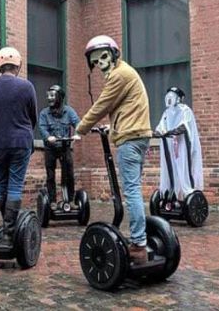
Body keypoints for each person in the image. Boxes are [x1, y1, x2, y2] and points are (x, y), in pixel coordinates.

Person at [75, 35, 152, 265]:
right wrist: (113, 127)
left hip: (130, 140)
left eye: (102, 59)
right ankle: (140, 238)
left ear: (113, 54)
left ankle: (138, 244)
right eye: (96, 62)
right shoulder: (126, 72)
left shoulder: (119, 75)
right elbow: (126, 107)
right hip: (136, 134)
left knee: (131, 191)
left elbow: (103, 104)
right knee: (133, 189)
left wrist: (82, 127)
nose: (100, 65)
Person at [0, 46, 37, 248]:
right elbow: (33, 117)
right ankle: (8, 235)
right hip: (21, 141)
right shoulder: (27, 87)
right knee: (14, 185)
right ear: (18, 65)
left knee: (0, 184)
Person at [155, 87, 203, 209]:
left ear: (178, 98)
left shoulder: (185, 110)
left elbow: (184, 126)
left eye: (172, 95)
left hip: (182, 146)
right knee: (169, 168)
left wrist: (174, 131)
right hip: (169, 145)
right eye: (168, 95)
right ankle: (171, 193)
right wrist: (157, 132)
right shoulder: (166, 113)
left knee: (183, 168)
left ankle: (186, 194)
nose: (169, 98)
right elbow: (161, 126)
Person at [38, 85, 80, 208]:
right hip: (50, 148)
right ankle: (52, 201)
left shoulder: (69, 111)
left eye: (53, 96)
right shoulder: (44, 113)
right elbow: (42, 127)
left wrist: (77, 134)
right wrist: (48, 137)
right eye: (49, 96)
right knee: (50, 175)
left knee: (68, 174)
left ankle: (69, 200)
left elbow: (77, 123)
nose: (50, 98)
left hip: (65, 147)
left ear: (59, 97)